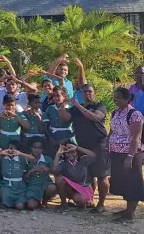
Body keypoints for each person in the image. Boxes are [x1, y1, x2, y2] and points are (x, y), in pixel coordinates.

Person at [60, 84, 109, 213]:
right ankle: (90, 200)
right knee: (89, 173)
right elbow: (65, 118)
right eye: (85, 92)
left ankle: (101, 204)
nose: (87, 94)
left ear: (94, 93)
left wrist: (77, 105)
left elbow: (94, 117)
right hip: (83, 144)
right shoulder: (75, 109)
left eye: (90, 91)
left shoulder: (99, 106)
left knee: (101, 175)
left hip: (99, 144)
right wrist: (61, 104)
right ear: (81, 94)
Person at [107, 87, 144, 222]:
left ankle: (130, 214)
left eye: (118, 97)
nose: (115, 100)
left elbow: (136, 138)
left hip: (130, 153)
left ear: (127, 99)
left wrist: (130, 157)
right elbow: (112, 131)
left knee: (132, 183)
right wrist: (108, 145)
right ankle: (127, 209)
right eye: (114, 97)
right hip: (116, 152)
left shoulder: (135, 115)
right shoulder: (115, 113)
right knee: (123, 182)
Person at [0, 140, 36, 210]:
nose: (11, 151)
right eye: (9, 148)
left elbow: (33, 158)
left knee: (19, 206)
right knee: (5, 200)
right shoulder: (3, 158)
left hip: (19, 186)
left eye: (13, 149)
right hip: (6, 184)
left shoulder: (21, 158)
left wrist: (20, 153)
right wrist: (1, 153)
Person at [52, 142, 97, 211]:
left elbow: (93, 156)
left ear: (77, 152)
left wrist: (78, 147)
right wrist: (58, 154)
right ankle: (64, 204)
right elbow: (54, 170)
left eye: (72, 152)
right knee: (59, 179)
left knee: (78, 199)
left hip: (83, 188)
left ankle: (84, 202)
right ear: (64, 153)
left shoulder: (83, 160)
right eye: (67, 153)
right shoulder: (63, 163)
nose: (70, 155)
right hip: (70, 189)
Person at [24, 137, 56, 210]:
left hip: (44, 184)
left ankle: (45, 200)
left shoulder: (47, 159)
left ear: (43, 149)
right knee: (31, 206)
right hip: (31, 186)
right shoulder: (25, 159)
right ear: (30, 148)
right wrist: (30, 172)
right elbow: (22, 178)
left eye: (40, 148)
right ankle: (37, 201)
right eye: (35, 147)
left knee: (52, 188)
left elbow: (55, 172)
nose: (37, 150)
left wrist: (48, 170)